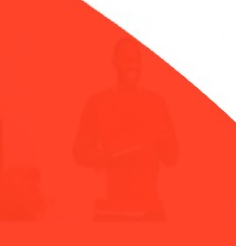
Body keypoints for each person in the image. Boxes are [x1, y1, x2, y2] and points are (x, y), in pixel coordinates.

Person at [73, 37, 177, 221]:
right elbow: (79, 151)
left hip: (149, 209)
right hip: (111, 210)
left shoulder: (156, 103)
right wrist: (102, 156)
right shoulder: (98, 103)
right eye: (126, 59)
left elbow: (172, 157)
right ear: (115, 63)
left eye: (136, 60)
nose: (132, 66)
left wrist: (165, 141)